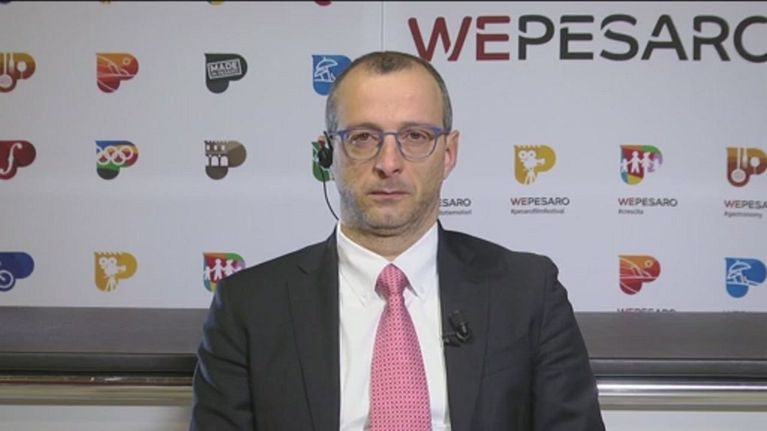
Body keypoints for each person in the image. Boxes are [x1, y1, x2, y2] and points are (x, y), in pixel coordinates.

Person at [190, 50, 605, 431]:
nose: (389, 163)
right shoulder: (248, 306)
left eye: (416, 136)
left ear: (449, 153)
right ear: (326, 154)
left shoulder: (528, 291)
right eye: (363, 137)